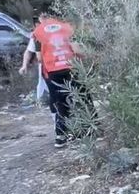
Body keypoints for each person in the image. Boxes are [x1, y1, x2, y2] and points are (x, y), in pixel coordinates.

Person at [19, 13, 90, 148]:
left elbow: (39, 57)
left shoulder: (38, 33)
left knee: (59, 101)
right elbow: (76, 48)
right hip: (71, 67)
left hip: (52, 70)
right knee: (82, 96)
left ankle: (61, 135)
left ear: (40, 21)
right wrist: (84, 57)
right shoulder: (66, 28)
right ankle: (90, 128)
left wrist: (27, 66)